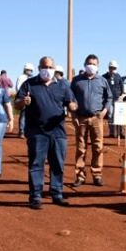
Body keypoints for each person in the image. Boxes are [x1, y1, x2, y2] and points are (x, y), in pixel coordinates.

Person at [15, 56, 78, 209]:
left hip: (58, 132)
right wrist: (23, 102)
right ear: (39, 68)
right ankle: (36, 196)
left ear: (54, 69)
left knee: (58, 164)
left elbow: (73, 103)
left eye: (50, 67)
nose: (47, 70)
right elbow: (17, 104)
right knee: (36, 164)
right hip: (37, 132)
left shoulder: (62, 85)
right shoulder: (29, 84)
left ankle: (57, 193)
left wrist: (72, 107)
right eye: (44, 67)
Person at [71, 54, 112, 187]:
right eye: (89, 63)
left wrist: (105, 111)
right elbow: (70, 99)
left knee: (98, 147)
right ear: (84, 64)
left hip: (97, 118)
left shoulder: (102, 81)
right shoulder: (77, 81)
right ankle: (80, 176)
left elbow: (109, 97)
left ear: (98, 66)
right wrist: (73, 116)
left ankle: (97, 174)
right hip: (81, 118)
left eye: (94, 64)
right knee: (81, 148)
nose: (91, 66)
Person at [103, 60, 124, 137]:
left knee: (120, 115)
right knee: (110, 115)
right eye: (111, 68)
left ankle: (121, 133)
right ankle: (112, 133)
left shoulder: (118, 76)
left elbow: (122, 87)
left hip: (118, 99)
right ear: (109, 68)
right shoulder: (104, 77)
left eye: (114, 68)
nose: (113, 69)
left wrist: (121, 95)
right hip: (109, 100)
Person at [15, 63, 34, 137]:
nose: (29, 71)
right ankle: (21, 131)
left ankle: (28, 130)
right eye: (28, 70)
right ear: (25, 70)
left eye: (31, 70)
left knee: (30, 115)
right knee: (23, 115)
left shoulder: (32, 78)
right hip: (23, 98)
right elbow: (18, 88)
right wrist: (22, 97)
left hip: (31, 99)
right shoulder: (21, 77)